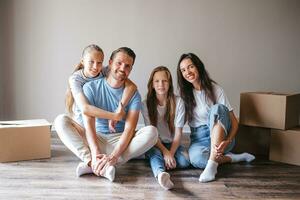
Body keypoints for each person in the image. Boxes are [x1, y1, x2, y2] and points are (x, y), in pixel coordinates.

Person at [56, 47, 158, 182]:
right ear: (109, 64)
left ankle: (106, 163)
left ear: (131, 69)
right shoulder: (88, 86)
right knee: (60, 121)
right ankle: (92, 161)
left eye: (127, 66)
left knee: (152, 132)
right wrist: (95, 151)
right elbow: (89, 123)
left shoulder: (133, 94)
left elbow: (129, 130)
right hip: (95, 137)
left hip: (119, 140)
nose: (122, 68)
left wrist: (114, 156)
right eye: (119, 63)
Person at [177, 53, 255, 183]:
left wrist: (228, 140)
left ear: (198, 67)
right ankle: (233, 158)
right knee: (197, 160)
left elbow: (234, 122)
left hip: (221, 135)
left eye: (190, 67)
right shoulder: (184, 94)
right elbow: (178, 123)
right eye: (183, 70)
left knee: (217, 108)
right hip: (199, 138)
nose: (187, 72)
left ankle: (212, 164)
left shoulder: (215, 89)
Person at [142, 66, 190, 190]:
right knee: (155, 153)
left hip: (172, 143)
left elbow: (179, 133)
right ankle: (161, 175)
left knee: (184, 162)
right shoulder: (145, 104)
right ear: (152, 84)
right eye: (157, 81)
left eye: (165, 81)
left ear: (169, 84)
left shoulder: (178, 102)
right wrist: (165, 152)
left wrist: (171, 153)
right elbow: (151, 134)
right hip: (155, 142)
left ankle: (162, 162)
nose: (161, 84)